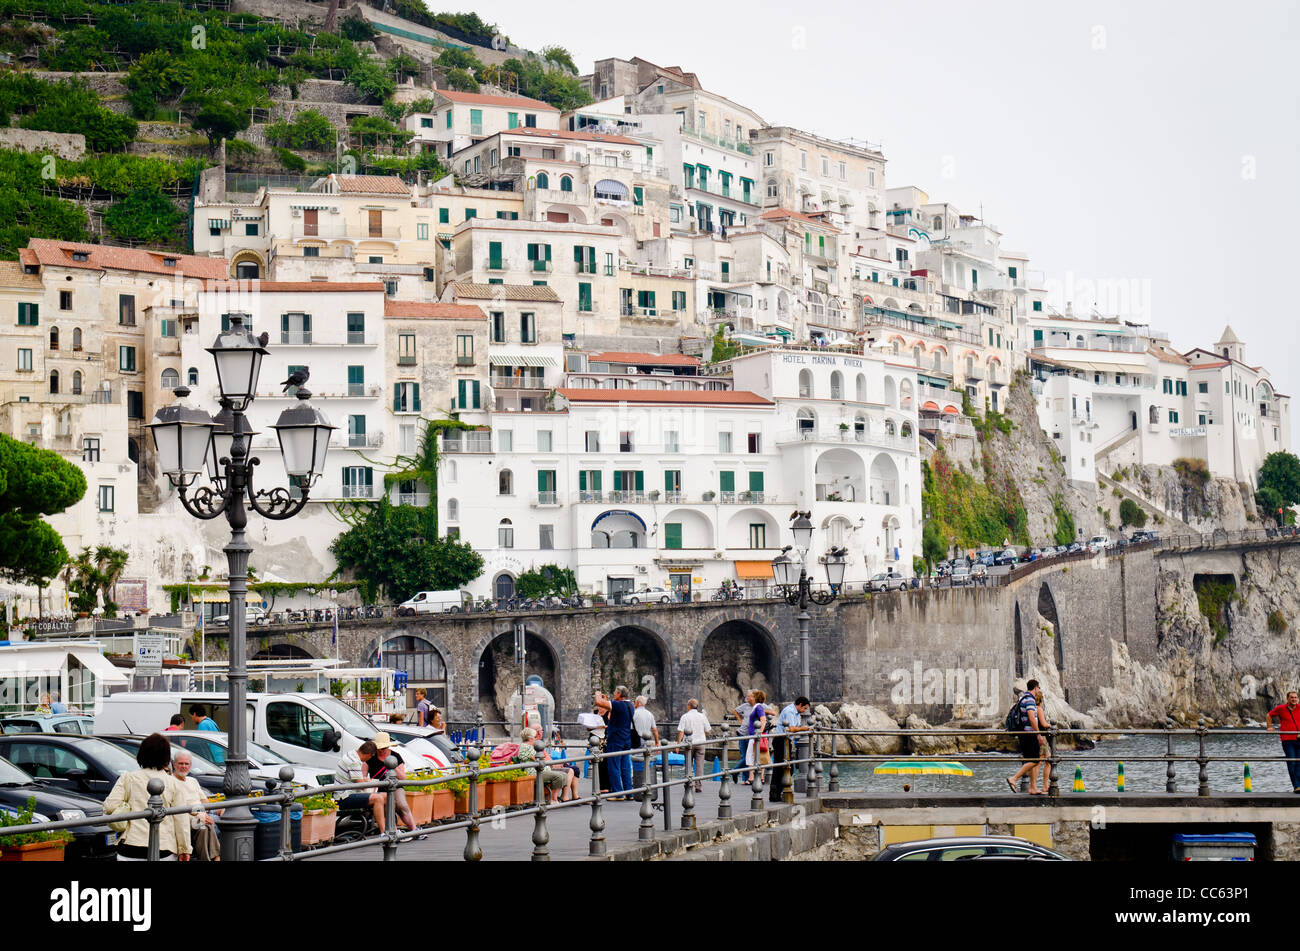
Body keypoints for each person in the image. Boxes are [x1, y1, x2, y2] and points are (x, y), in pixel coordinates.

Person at [103, 733, 191, 861]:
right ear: (166, 757)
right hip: (163, 848)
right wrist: (184, 849)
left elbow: (109, 806)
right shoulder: (174, 783)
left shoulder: (128, 778)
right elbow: (181, 820)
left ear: (141, 754)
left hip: (130, 847)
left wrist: (128, 806)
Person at [173, 751, 219, 861]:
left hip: (201, 815)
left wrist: (204, 813)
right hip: (184, 816)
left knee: (205, 825)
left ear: (190, 766)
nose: (184, 766)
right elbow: (179, 806)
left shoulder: (192, 781)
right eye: (181, 763)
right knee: (204, 825)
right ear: (174, 764)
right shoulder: (171, 781)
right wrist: (199, 814)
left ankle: (213, 857)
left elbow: (205, 802)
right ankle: (215, 857)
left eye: (186, 764)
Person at [367, 733, 417, 835]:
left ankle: (414, 829)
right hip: (379, 789)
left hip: (396, 786)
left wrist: (393, 766)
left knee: (401, 805)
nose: (382, 750)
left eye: (384, 747)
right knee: (386, 803)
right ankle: (393, 831)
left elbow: (403, 778)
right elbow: (363, 776)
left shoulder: (396, 756)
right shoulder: (371, 758)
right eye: (380, 747)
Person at [1006, 681, 1048, 795]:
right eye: (1038, 688)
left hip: (1023, 733)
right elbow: (1031, 717)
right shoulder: (1030, 699)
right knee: (1035, 760)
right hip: (1029, 733)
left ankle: (1032, 788)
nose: (1039, 690)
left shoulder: (1022, 698)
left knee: (1031, 760)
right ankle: (1014, 778)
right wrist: (1038, 734)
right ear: (1035, 687)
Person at [595, 686, 636, 799]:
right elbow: (612, 708)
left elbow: (598, 702)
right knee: (625, 766)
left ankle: (618, 793)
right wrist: (606, 699)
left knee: (614, 765)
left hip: (616, 739)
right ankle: (629, 792)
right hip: (626, 739)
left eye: (615, 692)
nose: (614, 694)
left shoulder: (619, 705)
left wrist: (598, 693)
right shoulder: (630, 705)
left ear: (619, 694)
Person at [772, 696, 812, 801]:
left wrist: (803, 728)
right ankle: (776, 793)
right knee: (781, 768)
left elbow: (796, 726)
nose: (804, 711)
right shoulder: (790, 712)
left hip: (786, 741)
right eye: (804, 708)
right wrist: (803, 728)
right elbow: (791, 728)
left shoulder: (795, 713)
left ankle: (777, 793)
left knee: (783, 767)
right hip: (781, 740)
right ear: (800, 705)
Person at [518, 727, 570, 803]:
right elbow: (540, 759)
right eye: (535, 737)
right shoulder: (526, 747)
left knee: (564, 775)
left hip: (540, 771)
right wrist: (551, 763)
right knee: (558, 776)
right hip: (534, 773)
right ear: (530, 738)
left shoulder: (532, 746)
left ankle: (553, 798)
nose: (536, 739)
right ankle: (552, 799)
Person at [1266, 689, 1300, 793]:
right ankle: (1296, 786)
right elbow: (1269, 715)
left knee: (1299, 763)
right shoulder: (1281, 708)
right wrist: (1269, 727)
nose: (1294, 699)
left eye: (1295, 697)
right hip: (1287, 740)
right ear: (1287, 699)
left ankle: (1298, 785)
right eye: (1292, 697)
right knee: (1292, 762)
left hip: (1299, 739)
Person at [676, 699, 712, 792]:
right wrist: (703, 736)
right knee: (699, 765)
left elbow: (681, 731)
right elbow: (707, 730)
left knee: (688, 764)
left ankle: (688, 783)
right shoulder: (702, 716)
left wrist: (678, 744)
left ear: (688, 706)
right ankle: (698, 785)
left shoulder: (685, 716)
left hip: (689, 744)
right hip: (700, 743)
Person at [334, 740, 378, 812]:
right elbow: (362, 786)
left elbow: (357, 780)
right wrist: (368, 781)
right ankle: (383, 823)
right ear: (369, 754)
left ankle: (383, 822)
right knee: (379, 798)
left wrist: (364, 780)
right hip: (345, 797)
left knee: (383, 796)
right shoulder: (354, 762)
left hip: (343, 794)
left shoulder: (351, 754)